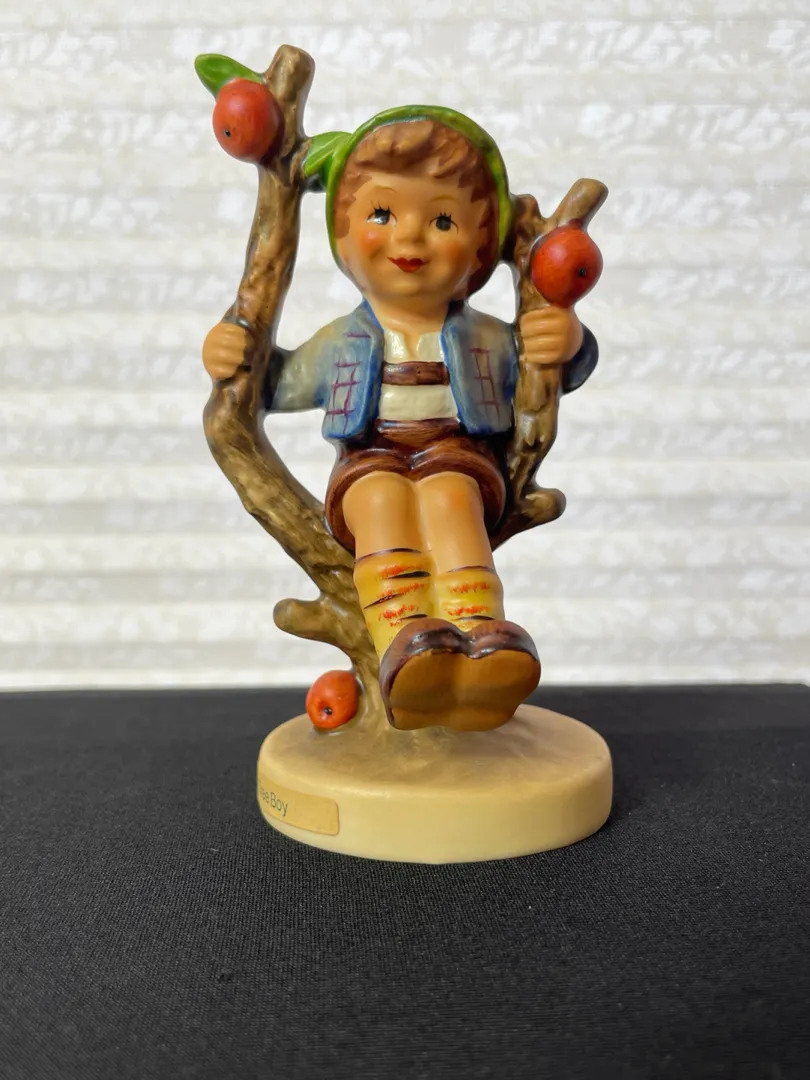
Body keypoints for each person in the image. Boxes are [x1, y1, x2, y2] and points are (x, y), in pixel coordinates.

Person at [203, 106, 598, 732]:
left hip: (457, 453)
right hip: (370, 459)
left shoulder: (483, 337)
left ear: (478, 247)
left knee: (451, 501)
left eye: (441, 221)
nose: (410, 241)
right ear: (342, 235)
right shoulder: (344, 340)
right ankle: (407, 645)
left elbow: (547, 370)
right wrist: (237, 354)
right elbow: (276, 384)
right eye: (382, 214)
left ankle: (481, 639)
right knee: (382, 502)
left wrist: (566, 341)